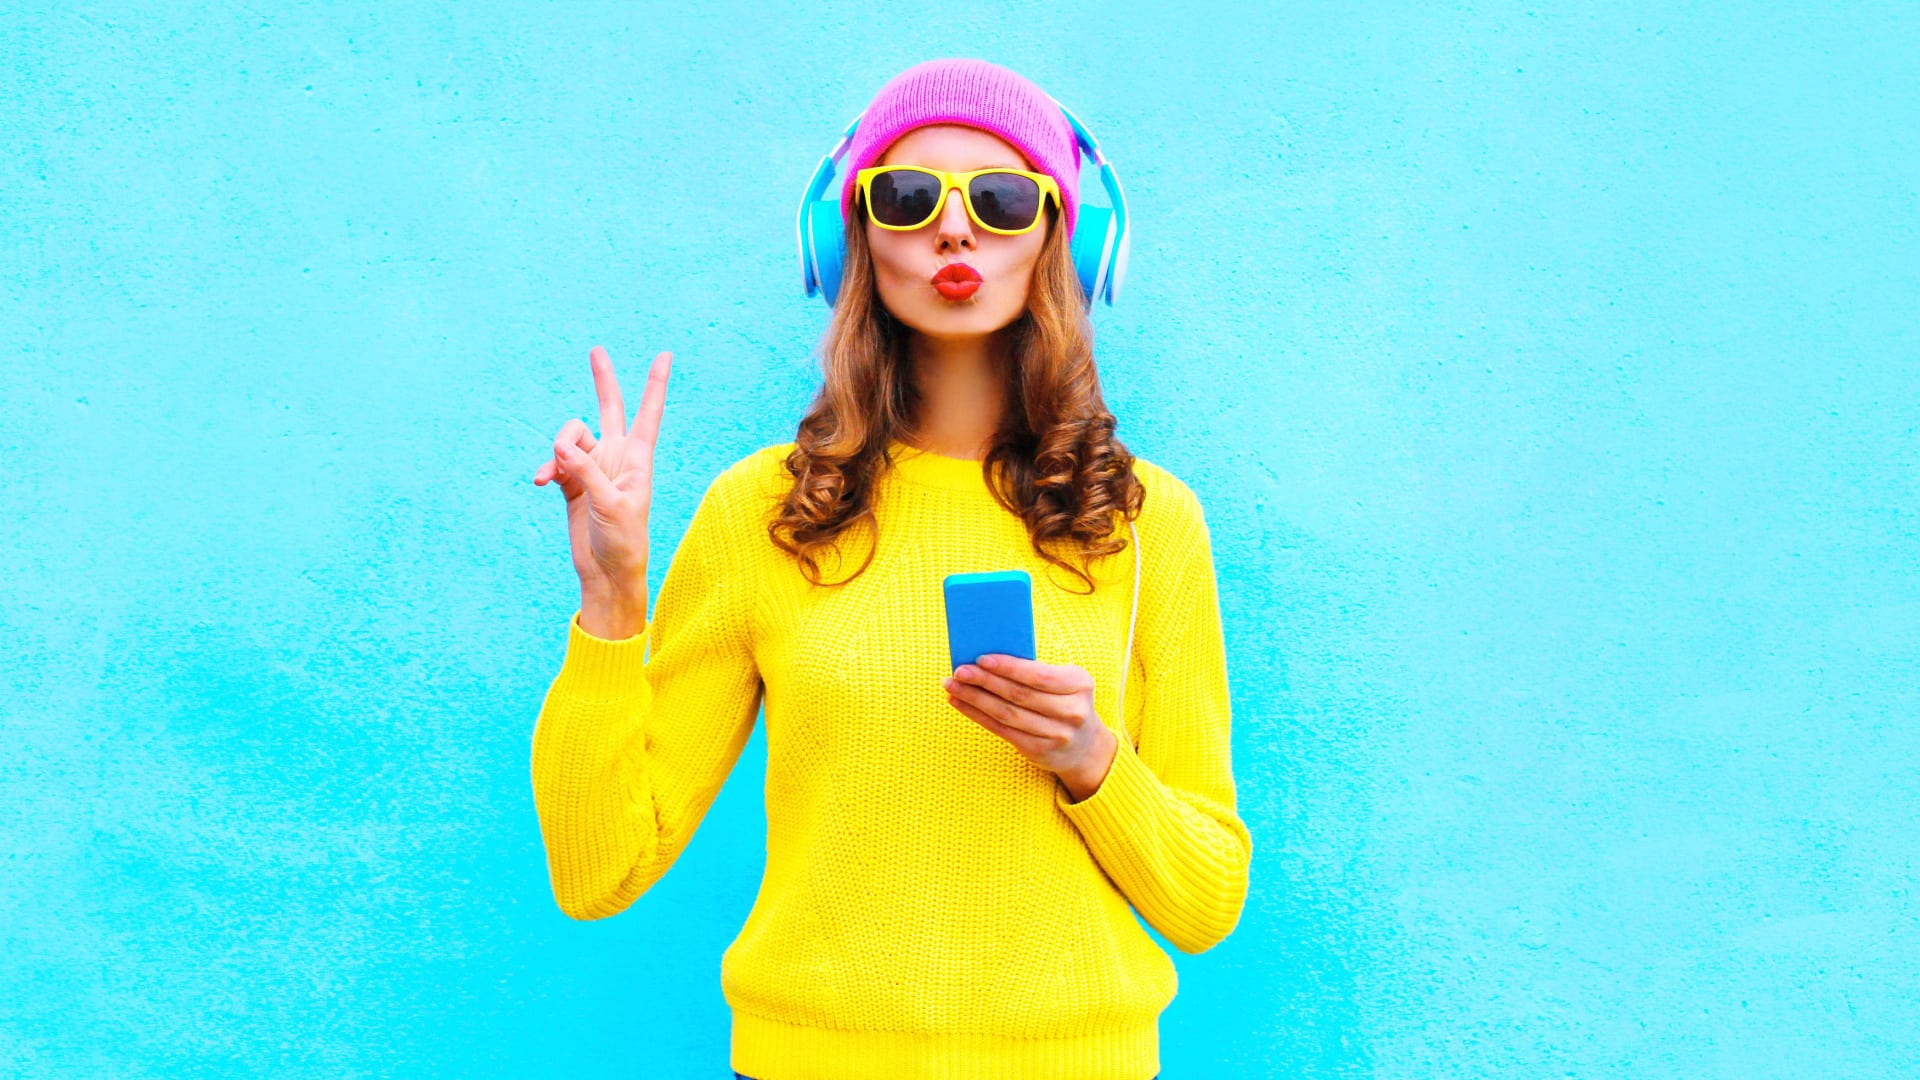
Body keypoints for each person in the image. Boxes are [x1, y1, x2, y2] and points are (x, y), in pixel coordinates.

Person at [529, 58, 1248, 1080]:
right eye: (908, 198)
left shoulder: (1145, 523)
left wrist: (1093, 762)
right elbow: (599, 870)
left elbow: (1207, 901)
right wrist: (609, 603)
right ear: (855, 235)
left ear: (1060, 239)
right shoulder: (760, 513)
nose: (954, 231)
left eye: (1001, 201)